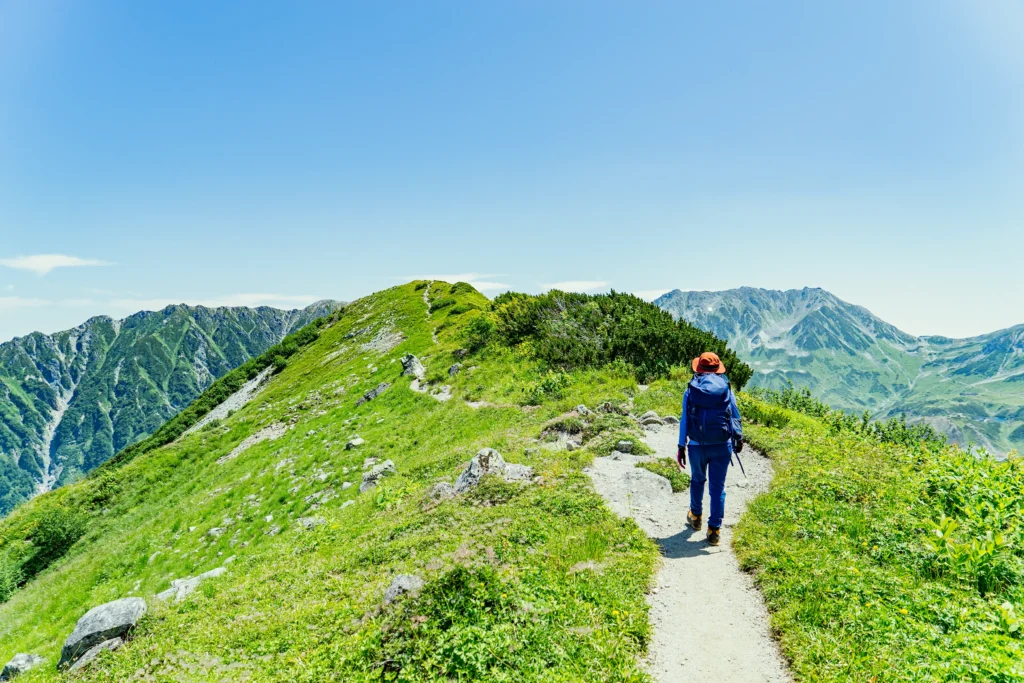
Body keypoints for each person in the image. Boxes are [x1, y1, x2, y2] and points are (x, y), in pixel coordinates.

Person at [676, 352, 743, 546]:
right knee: (717, 488)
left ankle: (696, 517)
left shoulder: (691, 390)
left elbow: (684, 420)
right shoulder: (726, 389)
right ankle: (714, 530)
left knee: (697, 480)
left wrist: (681, 446)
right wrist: (738, 439)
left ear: (699, 368)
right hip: (722, 445)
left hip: (697, 445)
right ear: (717, 369)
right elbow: (735, 416)